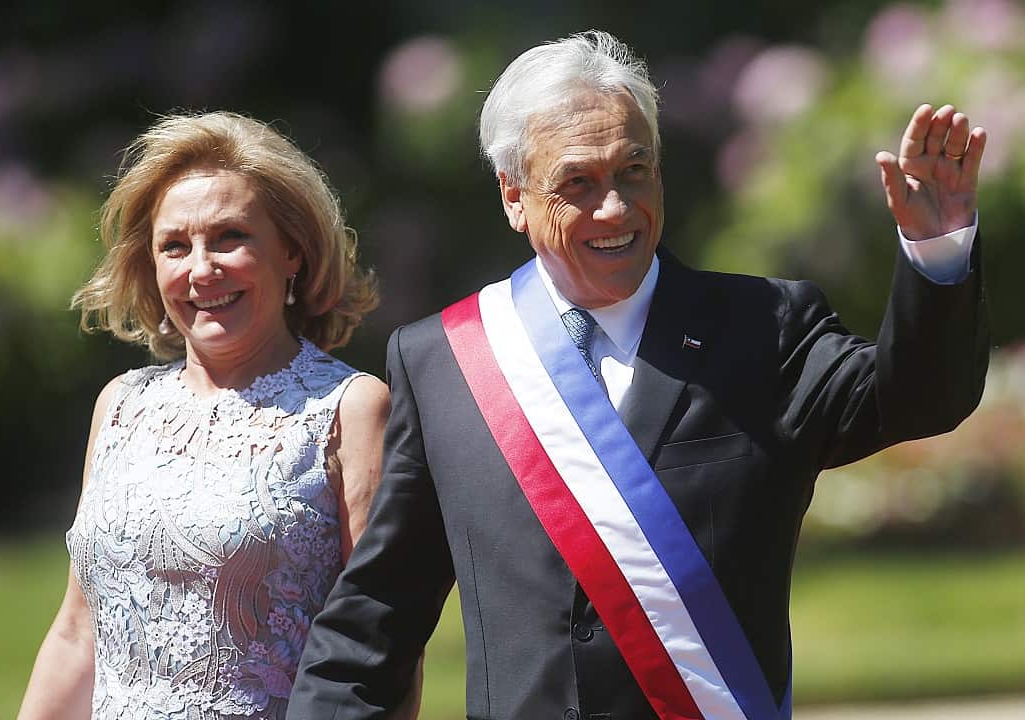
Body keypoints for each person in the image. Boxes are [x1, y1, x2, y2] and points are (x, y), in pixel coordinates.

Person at [288, 30, 989, 720]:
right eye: (577, 183)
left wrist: (936, 252)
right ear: (512, 196)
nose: (615, 209)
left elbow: (922, 398)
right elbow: (380, 612)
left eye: (633, 170)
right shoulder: (444, 359)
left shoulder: (764, 327)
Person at [17, 111, 417, 720]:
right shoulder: (119, 405)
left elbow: (385, 646)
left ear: (292, 251)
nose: (202, 269)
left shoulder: (351, 409)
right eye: (175, 246)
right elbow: (78, 633)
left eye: (229, 237)